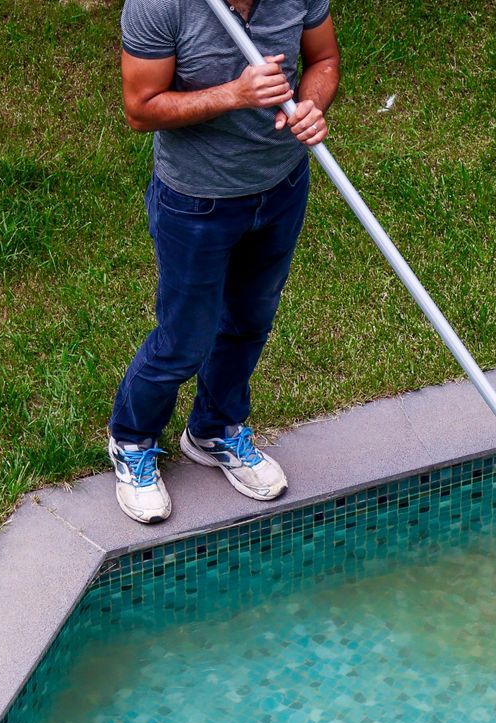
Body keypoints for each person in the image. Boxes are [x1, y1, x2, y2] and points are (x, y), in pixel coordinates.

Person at [108, 0, 341, 523]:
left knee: (249, 322)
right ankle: (132, 439)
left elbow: (323, 60)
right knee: (184, 340)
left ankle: (215, 429)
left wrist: (312, 103)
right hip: (197, 201)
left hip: (281, 187)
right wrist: (235, 94)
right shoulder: (160, 6)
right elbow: (139, 107)